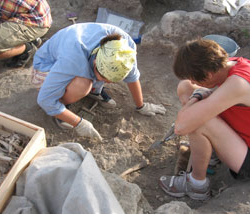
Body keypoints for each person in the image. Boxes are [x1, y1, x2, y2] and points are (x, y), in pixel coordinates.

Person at [158, 38, 250, 200]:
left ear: (209, 74)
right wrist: (197, 95)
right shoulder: (232, 64)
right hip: (249, 136)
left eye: (195, 78)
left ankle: (196, 185)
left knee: (200, 123)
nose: (193, 81)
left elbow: (181, 128)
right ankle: (208, 150)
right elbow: (187, 86)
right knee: (186, 87)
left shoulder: (239, 84)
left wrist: (194, 100)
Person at [32, 22, 166, 141]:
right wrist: (78, 122)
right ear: (95, 63)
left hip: (77, 58)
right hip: (45, 67)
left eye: (111, 81)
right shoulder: (73, 59)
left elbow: (132, 77)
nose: (107, 82)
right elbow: (44, 100)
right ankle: (62, 107)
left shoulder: (124, 50)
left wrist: (141, 106)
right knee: (83, 85)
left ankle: (95, 91)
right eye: (103, 79)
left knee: (89, 82)